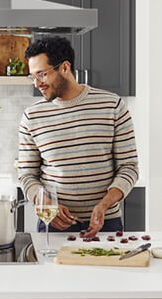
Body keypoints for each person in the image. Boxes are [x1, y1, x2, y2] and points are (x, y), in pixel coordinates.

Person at [17, 36, 139, 237]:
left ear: (64, 67)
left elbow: (129, 167)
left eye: (42, 74)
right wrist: (45, 204)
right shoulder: (32, 116)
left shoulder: (112, 106)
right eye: (32, 77)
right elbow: (27, 174)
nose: (37, 83)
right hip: (53, 224)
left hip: (106, 222)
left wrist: (104, 205)